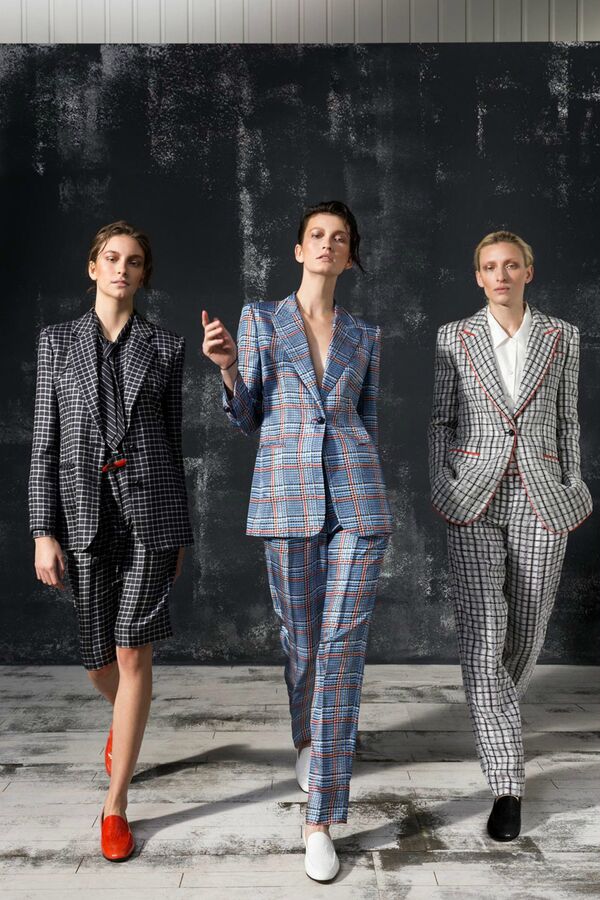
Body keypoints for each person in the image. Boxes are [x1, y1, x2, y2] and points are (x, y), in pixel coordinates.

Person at [202, 201, 392, 881]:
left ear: (350, 255)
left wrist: (368, 489)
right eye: (317, 235)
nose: (328, 245)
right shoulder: (261, 319)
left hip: (358, 503)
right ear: (298, 249)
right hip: (286, 500)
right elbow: (248, 416)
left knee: (341, 649)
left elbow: (367, 421)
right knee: (302, 642)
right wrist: (229, 369)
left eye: (340, 238)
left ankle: (320, 819)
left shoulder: (365, 334)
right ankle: (309, 738)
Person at [29, 220, 193, 861]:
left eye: (135, 261)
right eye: (112, 258)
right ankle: (127, 717)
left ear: (144, 275)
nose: (123, 268)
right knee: (99, 660)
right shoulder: (55, 343)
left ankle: (116, 804)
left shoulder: (166, 347)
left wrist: (180, 531)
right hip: (84, 516)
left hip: (152, 515)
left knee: (131, 651)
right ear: (93, 267)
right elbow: (44, 446)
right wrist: (43, 531)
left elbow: (174, 444)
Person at [429, 230, 592, 841]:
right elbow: (440, 419)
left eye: (511, 265)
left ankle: (494, 713)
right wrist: (443, 483)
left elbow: (569, 419)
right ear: (478, 277)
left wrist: (572, 484)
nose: (501, 275)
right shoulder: (453, 336)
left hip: (543, 498)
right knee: (484, 636)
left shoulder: (562, 336)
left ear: (528, 271)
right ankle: (507, 784)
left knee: (527, 629)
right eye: (490, 267)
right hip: (472, 496)